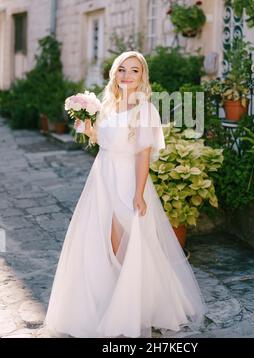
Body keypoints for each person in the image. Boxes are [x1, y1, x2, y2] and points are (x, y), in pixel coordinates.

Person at [43, 51, 206, 338]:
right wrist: (87, 125)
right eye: (122, 70)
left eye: (134, 71)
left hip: (126, 179)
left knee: (121, 241)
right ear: (114, 74)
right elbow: (102, 140)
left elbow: (143, 155)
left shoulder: (145, 111)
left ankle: (131, 305)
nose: (127, 76)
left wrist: (139, 194)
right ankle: (101, 301)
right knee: (96, 239)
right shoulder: (108, 104)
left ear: (143, 76)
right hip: (100, 178)